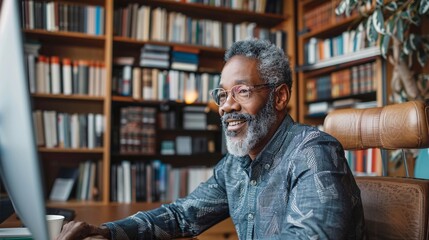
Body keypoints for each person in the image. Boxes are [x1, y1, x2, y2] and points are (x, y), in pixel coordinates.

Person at [57, 38, 365, 240]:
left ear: (280, 96)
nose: (227, 106)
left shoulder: (313, 152)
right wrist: (107, 233)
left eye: (242, 92)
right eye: (222, 94)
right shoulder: (235, 165)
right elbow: (181, 216)